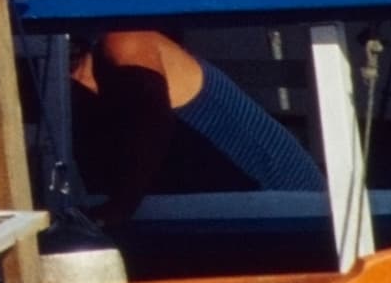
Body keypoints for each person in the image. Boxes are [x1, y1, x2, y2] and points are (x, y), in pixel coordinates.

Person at [70, 30, 322, 225]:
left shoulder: (127, 43)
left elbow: (151, 124)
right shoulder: (72, 100)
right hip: (219, 223)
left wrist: (111, 214)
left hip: (294, 215)